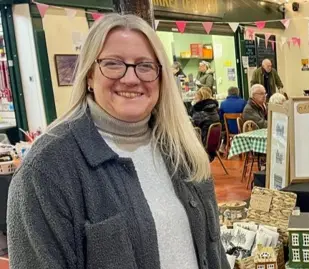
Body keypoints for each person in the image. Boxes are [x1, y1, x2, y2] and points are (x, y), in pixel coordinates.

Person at [7, 14, 228, 269]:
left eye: (145, 65)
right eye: (113, 64)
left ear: (161, 76)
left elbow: (215, 252)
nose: (131, 78)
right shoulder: (47, 170)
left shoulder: (183, 150)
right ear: (90, 75)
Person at [191, 87, 221, 160]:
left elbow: (192, 126)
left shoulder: (201, 114)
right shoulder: (214, 110)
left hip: (202, 145)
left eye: (196, 98)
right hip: (213, 145)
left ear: (200, 99)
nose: (194, 100)